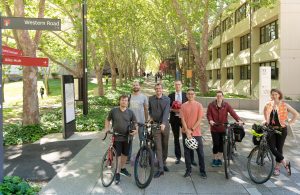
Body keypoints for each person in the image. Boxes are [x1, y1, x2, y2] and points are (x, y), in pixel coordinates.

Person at [263, 88, 299, 176]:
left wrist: (289, 123)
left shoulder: (284, 105)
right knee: (271, 147)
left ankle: (277, 168)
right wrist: (266, 120)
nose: (274, 96)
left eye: (276, 94)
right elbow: (265, 112)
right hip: (271, 129)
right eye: (272, 94)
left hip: (282, 130)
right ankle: (285, 162)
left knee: (279, 148)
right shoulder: (268, 104)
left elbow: (296, 114)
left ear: (279, 95)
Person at [104, 95, 138, 184]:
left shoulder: (130, 112)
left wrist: (135, 131)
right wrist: (107, 128)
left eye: (126, 100)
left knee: (125, 155)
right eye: (122, 100)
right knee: (118, 156)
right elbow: (107, 120)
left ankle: (122, 168)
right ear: (119, 101)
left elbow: (135, 123)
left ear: (128, 102)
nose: (124, 102)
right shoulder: (114, 111)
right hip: (117, 137)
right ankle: (117, 173)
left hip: (127, 138)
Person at [206, 90, 243, 167]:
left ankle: (219, 159)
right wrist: (211, 120)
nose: (219, 97)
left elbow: (233, 113)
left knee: (222, 145)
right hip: (214, 128)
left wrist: (239, 120)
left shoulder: (226, 105)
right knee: (216, 144)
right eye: (217, 96)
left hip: (224, 128)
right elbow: (208, 114)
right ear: (216, 97)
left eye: (220, 96)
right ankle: (215, 158)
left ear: (223, 97)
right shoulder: (211, 105)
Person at [180, 88, 207, 179]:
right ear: (186, 95)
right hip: (185, 133)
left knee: (200, 153)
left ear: (195, 95)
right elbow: (182, 119)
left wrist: (191, 129)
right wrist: (187, 130)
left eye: (192, 94)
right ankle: (188, 170)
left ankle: (202, 171)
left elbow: (199, 119)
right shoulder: (183, 106)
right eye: (189, 94)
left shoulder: (199, 105)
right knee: (187, 153)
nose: (190, 95)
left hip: (196, 133)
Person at [168, 80, 196, 165]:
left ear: (181, 85)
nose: (177, 86)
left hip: (185, 120)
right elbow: (168, 108)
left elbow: (190, 105)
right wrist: (174, 109)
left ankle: (191, 158)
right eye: (176, 84)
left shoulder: (185, 95)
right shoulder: (170, 96)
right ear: (174, 86)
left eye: (179, 84)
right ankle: (178, 157)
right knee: (176, 138)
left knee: (188, 137)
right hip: (174, 119)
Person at [148, 83, 170, 178]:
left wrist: (164, 123)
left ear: (162, 89)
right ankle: (160, 169)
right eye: (156, 89)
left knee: (165, 145)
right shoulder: (151, 99)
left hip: (165, 125)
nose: (158, 90)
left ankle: (163, 163)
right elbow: (149, 110)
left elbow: (166, 112)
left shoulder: (167, 99)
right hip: (155, 125)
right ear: (155, 90)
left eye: (160, 88)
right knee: (158, 147)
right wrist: (151, 117)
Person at [127, 81, 149, 163]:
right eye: (134, 85)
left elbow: (146, 109)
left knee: (142, 140)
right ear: (132, 87)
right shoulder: (129, 96)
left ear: (140, 86)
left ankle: (143, 157)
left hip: (141, 122)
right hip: (131, 123)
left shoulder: (144, 97)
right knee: (129, 140)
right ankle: (128, 157)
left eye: (137, 85)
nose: (135, 86)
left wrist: (146, 121)